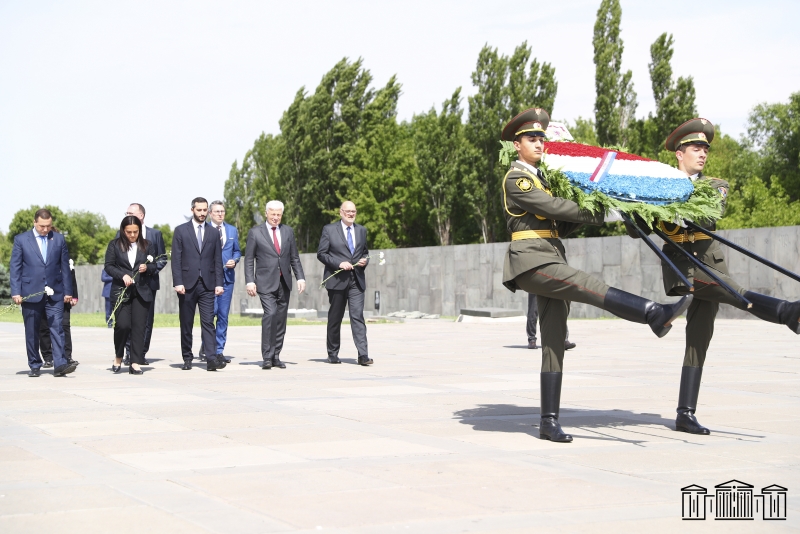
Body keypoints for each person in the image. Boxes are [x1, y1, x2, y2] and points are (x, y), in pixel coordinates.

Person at [500, 108, 693, 443]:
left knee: (554, 340)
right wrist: (605, 214)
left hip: (549, 254)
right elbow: (552, 208)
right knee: (587, 285)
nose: (539, 143)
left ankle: (548, 421)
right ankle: (652, 313)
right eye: (532, 138)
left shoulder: (543, 179)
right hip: (531, 261)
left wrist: (617, 209)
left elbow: (563, 224)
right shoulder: (518, 178)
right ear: (517, 145)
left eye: (542, 138)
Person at [625, 118, 800, 436]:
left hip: (712, 265)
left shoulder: (715, 184)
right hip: (685, 269)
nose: (702, 153)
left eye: (705, 148)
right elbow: (638, 232)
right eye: (696, 148)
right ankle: (787, 312)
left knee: (698, 341)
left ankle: (685, 413)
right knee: (736, 293)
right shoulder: (655, 187)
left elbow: (708, 214)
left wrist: (662, 199)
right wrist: (631, 207)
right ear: (679, 153)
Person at [9, 208, 78, 377]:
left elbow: (64, 267)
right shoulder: (21, 240)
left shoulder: (59, 239)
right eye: (42, 226)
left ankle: (60, 364)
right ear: (35, 223)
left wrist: (68, 291)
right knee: (32, 331)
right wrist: (16, 292)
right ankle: (34, 364)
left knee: (57, 328)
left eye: (48, 226)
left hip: (55, 293)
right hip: (30, 293)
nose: (45, 229)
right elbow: (15, 267)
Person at [245, 200, 305, 369]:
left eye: (279, 215)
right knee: (270, 314)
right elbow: (249, 259)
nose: (276, 218)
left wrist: (300, 277)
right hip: (264, 282)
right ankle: (266, 356)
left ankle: (276, 355)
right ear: (266, 213)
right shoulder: (255, 233)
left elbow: (294, 257)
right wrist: (250, 281)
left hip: (284, 282)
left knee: (280, 319)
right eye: (273, 214)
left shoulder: (288, 232)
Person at [171, 197, 225, 371]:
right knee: (186, 323)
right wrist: (178, 282)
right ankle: (187, 357)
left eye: (204, 210)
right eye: (199, 210)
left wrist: (219, 283)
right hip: (186, 285)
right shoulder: (181, 231)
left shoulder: (213, 232)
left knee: (208, 322)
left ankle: (210, 359)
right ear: (192, 209)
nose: (202, 213)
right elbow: (176, 260)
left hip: (207, 285)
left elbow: (218, 260)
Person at [317, 201, 372, 366]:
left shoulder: (361, 230)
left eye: (353, 211)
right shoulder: (329, 229)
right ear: (341, 212)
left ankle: (363, 355)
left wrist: (364, 261)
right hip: (337, 280)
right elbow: (322, 254)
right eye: (348, 211)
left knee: (357, 317)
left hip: (356, 280)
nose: (351, 214)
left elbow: (365, 252)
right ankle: (332, 353)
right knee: (335, 317)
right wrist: (339, 263)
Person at [104, 216, 158, 375]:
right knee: (122, 325)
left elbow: (154, 266)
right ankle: (119, 356)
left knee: (139, 328)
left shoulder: (148, 245)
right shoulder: (114, 245)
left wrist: (146, 268)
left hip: (141, 292)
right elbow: (108, 266)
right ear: (123, 230)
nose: (132, 235)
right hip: (121, 292)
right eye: (129, 232)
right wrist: (122, 275)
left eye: (135, 232)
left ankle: (135, 361)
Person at [120, 203, 167, 365]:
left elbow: (162, 258)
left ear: (141, 216)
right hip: (128, 285)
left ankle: (141, 353)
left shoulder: (155, 234)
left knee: (146, 321)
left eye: (130, 213)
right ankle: (128, 353)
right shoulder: (122, 234)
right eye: (126, 213)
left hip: (149, 285)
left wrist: (150, 269)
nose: (126, 215)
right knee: (128, 319)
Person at [199, 200, 242, 364]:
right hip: (209, 279)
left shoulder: (231, 230)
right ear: (210, 213)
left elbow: (237, 250)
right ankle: (207, 346)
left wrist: (235, 259)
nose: (220, 214)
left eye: (222, 211)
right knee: (210, 314)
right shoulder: (205, 230)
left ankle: (218, 351)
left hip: (227, 279)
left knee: (223, 316)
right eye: (216, 211)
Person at [39, 239, 79, 367]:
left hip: (63, 299)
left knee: (65, 326)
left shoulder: (66, 260)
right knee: (44, 327)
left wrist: (74, 296)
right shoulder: (41, 259)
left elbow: (72, 279)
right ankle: (48, 357)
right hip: (43, 297)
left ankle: (67, 355)